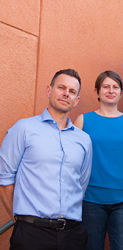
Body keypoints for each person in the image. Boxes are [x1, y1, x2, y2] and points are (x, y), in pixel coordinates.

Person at [0, 69, 92, 250]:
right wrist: (19, 218)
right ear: (49, 90)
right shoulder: (24, 128)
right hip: (31, 234)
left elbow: (81, 184)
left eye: (72, 91)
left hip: (72, 235)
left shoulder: (84, 140)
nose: (66, 94)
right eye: (61, 87)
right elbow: (4, 178)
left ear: (76, 100)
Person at [74, 71, 123, 250]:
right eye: (106, 86)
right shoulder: (83, 120)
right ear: (97, 91)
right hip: (90, 199)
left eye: (115, 87)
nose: (110, 90)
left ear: (121, 92)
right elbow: (74, 161)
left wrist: (121, 183)